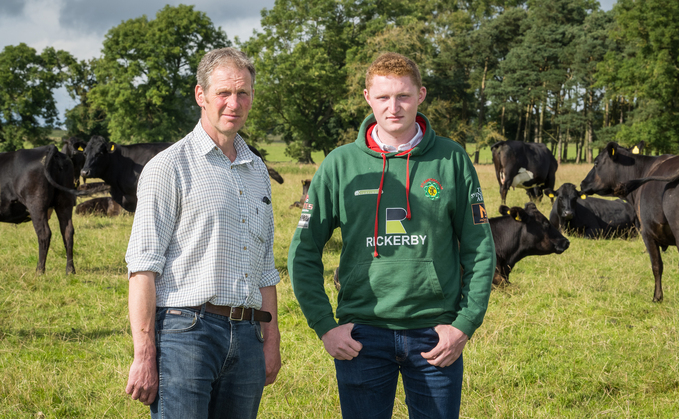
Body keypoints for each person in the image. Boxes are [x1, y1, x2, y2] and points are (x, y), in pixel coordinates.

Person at [287, 52, 495, 418]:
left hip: (435, 333)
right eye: (383, 97)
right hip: (361, 334)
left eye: (403, 96)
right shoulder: (340, 164)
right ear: (368, 97)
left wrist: (464, 325)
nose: (393, 107)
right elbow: (303, 251)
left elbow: (479, 248)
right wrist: (325, 326)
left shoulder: (451, 159)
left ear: (421, 95)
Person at [124, 47, 281, 419]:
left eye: (243, 93)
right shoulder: (169, 167)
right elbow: (142, 268)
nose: (234, 102)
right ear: (201, 95)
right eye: (224, 93)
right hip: (185, 332)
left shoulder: (256, 169)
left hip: (247, 335)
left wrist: (271, 342)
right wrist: (144, 355)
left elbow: (265, 268)